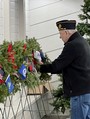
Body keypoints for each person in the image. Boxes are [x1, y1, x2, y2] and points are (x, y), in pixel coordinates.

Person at [39, 20, 90, 119]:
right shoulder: (82, 42)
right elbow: (64, 66)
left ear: (66, 32)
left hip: (79, 94)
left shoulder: (72, 45)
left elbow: (56, 66)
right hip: (86, 92)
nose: (60, 37)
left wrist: (39, 68)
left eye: (60, 34)